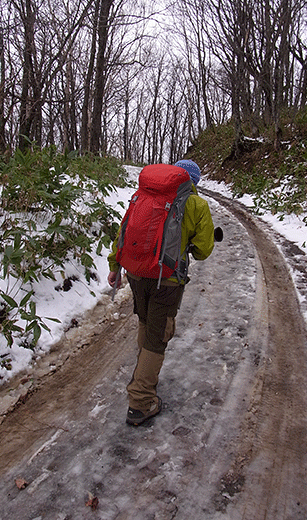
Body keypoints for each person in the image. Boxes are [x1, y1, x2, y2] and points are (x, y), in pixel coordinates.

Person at [107, 159, 215, 425]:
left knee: (146, 324)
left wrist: (114, 266)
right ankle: (141, 402)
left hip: (135, 273)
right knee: (158, 336)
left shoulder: (141, 195)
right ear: (193, 182)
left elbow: (123, 232)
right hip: (166, 280)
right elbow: (203, 250)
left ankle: (143, 376)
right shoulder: (197, 205)